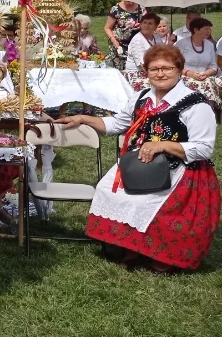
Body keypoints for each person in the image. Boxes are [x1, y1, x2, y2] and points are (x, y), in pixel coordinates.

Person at [59, 45, 219, 273]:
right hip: (141, 164)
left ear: (180, 69)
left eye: (167, 68)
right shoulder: (142, 97)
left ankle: (160, 257)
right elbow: (117, 124)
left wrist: (163, 145)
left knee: (148, 203)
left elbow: (203, 148)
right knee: (107, 189)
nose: (160, 73)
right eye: (154, 69)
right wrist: (83, 118)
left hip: (180, 169)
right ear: (146, 71)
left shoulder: (196, 104)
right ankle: (131, 249)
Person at [174, 18, 220, 110]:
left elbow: (213, 66)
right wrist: (190, 73)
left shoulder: (209, 45)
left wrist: (206, 74)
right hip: (185, 75)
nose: (209, 31)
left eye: (209, 29)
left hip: (204, 76)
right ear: (196, 30)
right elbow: (175, 65)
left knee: (209, 83)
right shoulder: (182, 44)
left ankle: (208, 111)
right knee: (196, 84)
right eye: (206, 29)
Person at [104, 0, 145, 70]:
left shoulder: (141, 8)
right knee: (120, 70)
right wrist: (113, 40)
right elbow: (107, 28)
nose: (130, 3)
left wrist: (141, 25)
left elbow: (147, 23)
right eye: (128, 0)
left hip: (136, 43)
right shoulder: (115, 9)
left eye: (132, 0)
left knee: (137, 68)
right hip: (119, 45)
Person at [125, 12, 165, 88]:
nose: (146, 26)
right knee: (161, 86)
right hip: (137, 74)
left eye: (150, 23)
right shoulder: (137, 40)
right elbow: (143, 65)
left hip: (154, 71)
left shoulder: (156, 37)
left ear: (155, 26)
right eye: (144, 23)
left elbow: (163, 54)